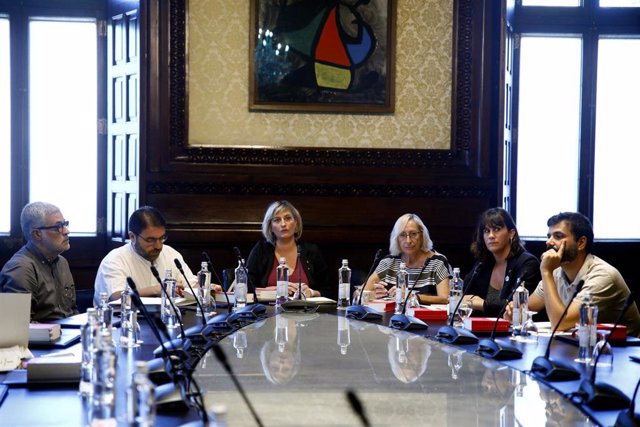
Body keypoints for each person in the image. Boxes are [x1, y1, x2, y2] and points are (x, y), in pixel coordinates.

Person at [506, 212, 640, 336]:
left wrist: (546, 272)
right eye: (549, 236)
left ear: (581, 243)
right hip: (581, 346)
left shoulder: (603, 276)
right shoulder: (557, 272)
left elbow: (561, 323)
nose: (549, 242)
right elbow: (528, 307)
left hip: (621, 352)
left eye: (558, 236)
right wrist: (513, 311)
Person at [94, 206, 220, 305]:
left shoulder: (170, 253)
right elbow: (116, 297)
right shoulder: (114, 260)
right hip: (121, 326)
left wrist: (207, 288)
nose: (158, 246)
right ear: (132, 237)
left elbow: (190, 285)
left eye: (162, 238)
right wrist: (157, 289)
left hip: (165, 322)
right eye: (151, 240)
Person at [0, 201, 78, 321]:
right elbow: (19, 324)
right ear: (37, 234)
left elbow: (72, 311)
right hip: (41, 338)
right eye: (58, 227)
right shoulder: (20, 268)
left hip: (69, 334)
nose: (66, 231)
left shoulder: (61, 262)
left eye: (65, 224)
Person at [462, 207, 541, 317]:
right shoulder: (483, 264)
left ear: (511, 233)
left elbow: (517, 306)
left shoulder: (527, 263)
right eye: (486, 231)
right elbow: (464, 296)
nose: (491, 236)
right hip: (483, 328)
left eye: (497, 229)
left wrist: (482, 304)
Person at [246, 200, 328, 299]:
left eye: (288, 218)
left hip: (306, 312)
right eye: (277, 220)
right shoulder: (261, 250)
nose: (283, 224)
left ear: (296, 223)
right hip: (269, 312)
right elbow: (246, 287)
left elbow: (329, 290)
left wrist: (312, 292)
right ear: (270, 227)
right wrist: (273, 291)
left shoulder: (311, 251)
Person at [363, 213, 451, 304]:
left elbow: (446, 298)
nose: (408, 241)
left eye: (413, 234)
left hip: (425, 317)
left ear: (422, 235)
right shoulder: (389, 262)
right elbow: (359, 292)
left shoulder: (437, 262)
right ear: (396, 238)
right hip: (392, 316)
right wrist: (372, 294)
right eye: (402, 235)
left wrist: (412, 296)